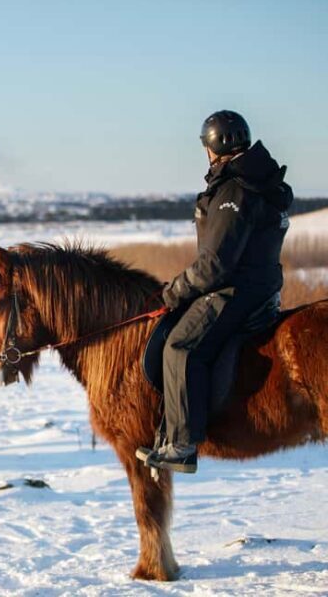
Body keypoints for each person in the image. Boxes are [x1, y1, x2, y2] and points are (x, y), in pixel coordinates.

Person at [137, 110, 293, 473]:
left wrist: (173, 292)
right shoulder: (254, 180)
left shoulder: (235, 189)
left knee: (180, 346)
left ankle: (181, 443)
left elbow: (215, 265)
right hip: (259, 285)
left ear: (213, 147)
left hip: (236, 291)